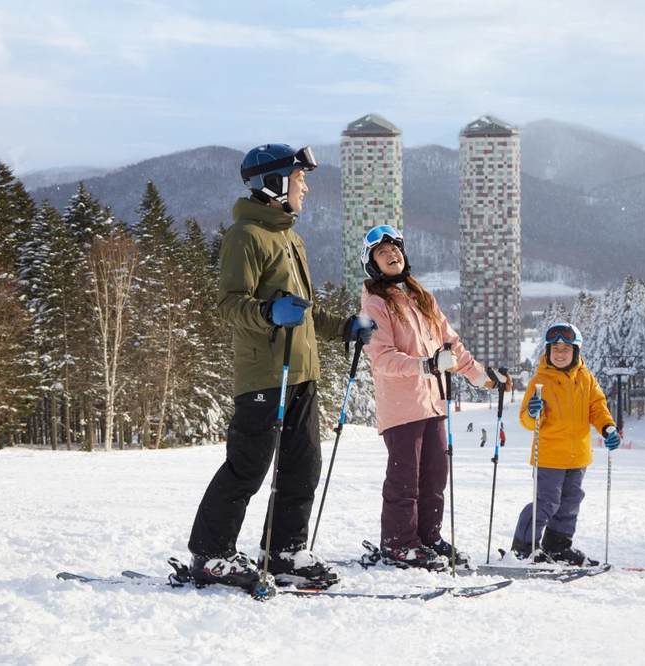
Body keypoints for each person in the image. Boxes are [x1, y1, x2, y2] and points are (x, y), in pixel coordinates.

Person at [186, 144, 376, 589]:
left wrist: (345, 326)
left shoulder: (291, 238)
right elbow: (230, 305)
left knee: (303, 465)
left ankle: (284, 551)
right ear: (272, 184)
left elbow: (303, 313)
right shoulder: (246, 235)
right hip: (266, 374)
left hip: (302, 372)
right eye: (298, 178)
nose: (305, 187)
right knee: (248, 465)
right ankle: (211, 553)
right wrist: (269, 314)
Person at [360, 224, 511, 569]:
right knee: (405, 477)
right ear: (372, 264)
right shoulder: (375, 304)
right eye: (382, 253)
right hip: (402, 407)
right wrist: (426, 365)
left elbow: (452, 346)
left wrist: (483, 377)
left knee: (434, 474)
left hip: (433, 403)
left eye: (395, 249)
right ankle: (399, 543)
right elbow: (382, 358)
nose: (392, 255)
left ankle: (428, 537)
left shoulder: (421, 298)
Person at [510, 322, 619, 565]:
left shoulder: (586, 378)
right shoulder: (540, 380)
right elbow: (526, 421)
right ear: (548, 351)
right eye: (555, 349)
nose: (560, 354)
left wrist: (607, 426)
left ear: (576, 352)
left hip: (578, 456)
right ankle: (522, 548)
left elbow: (597, 407)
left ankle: (557, 547)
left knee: (570, 504)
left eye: (566, 349)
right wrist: (532, 411)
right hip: (550, 455)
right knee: (546, 503)